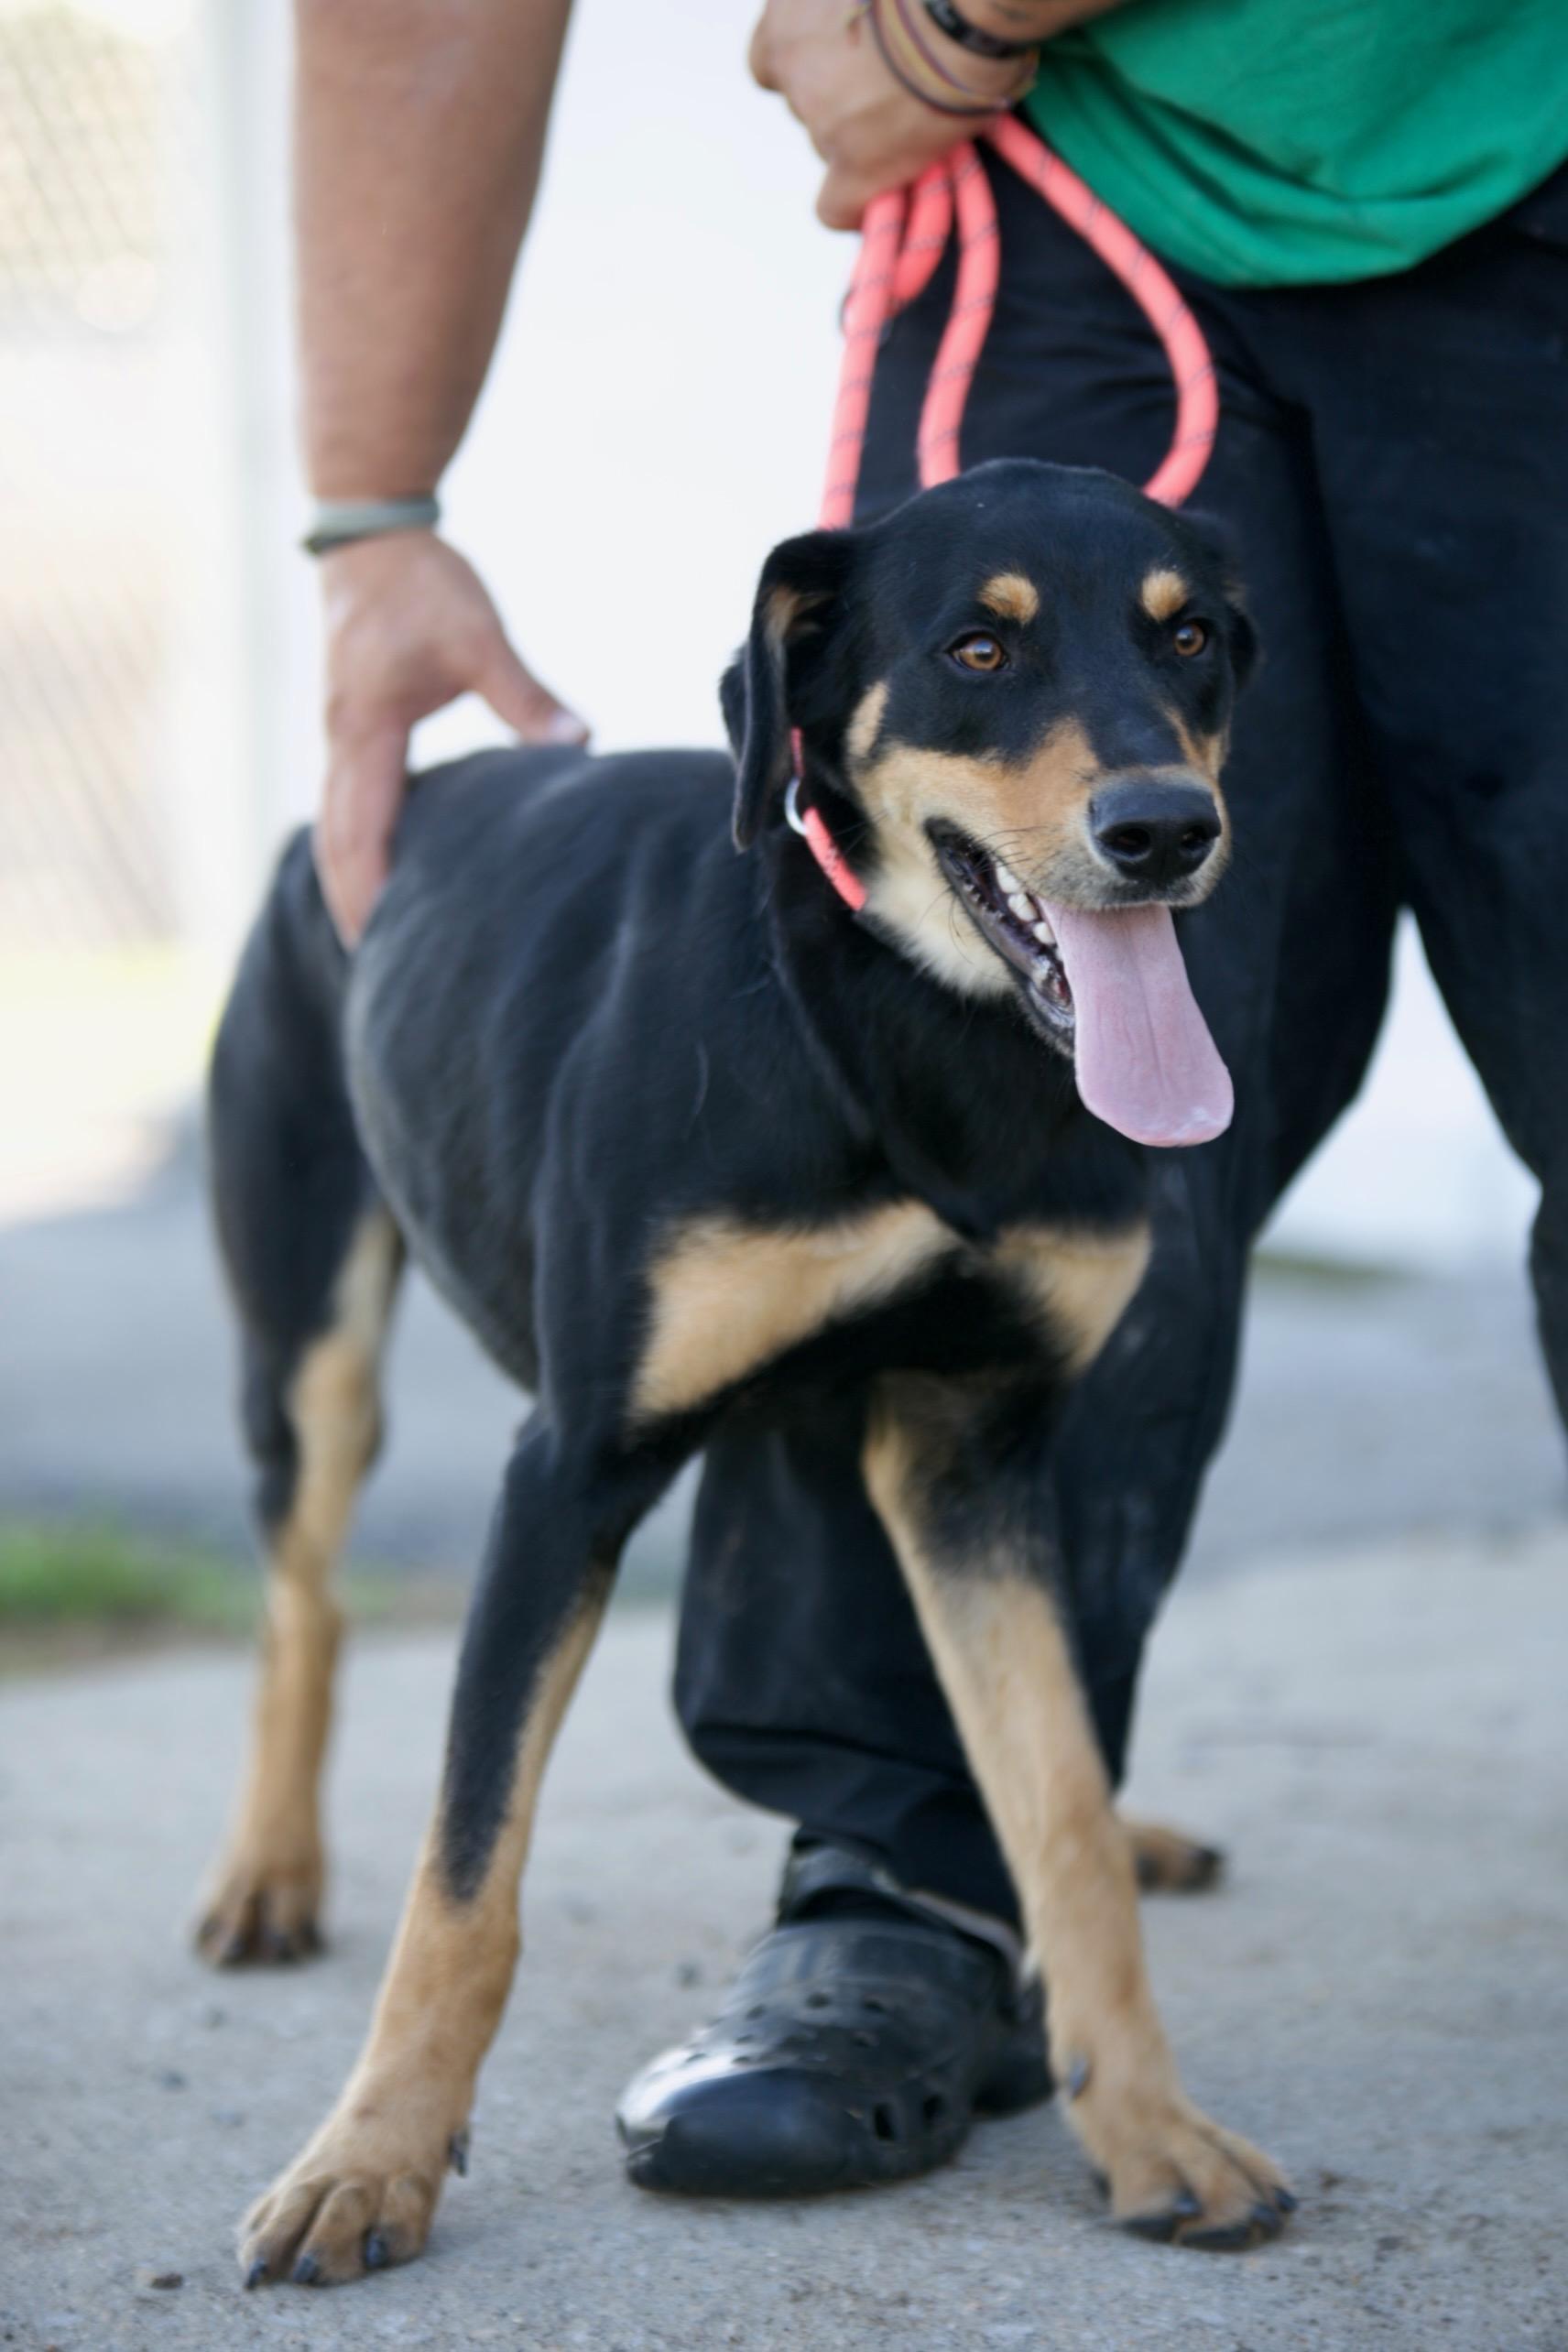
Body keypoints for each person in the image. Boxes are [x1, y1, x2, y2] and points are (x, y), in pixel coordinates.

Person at [295, 0, 1568, 2195]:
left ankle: (1062, 1987)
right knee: (931, 1076)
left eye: (1182, 679)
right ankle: (901, 1887)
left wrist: (956, 9)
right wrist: (375, 514)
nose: (1140, 761)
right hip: (1074, 203)